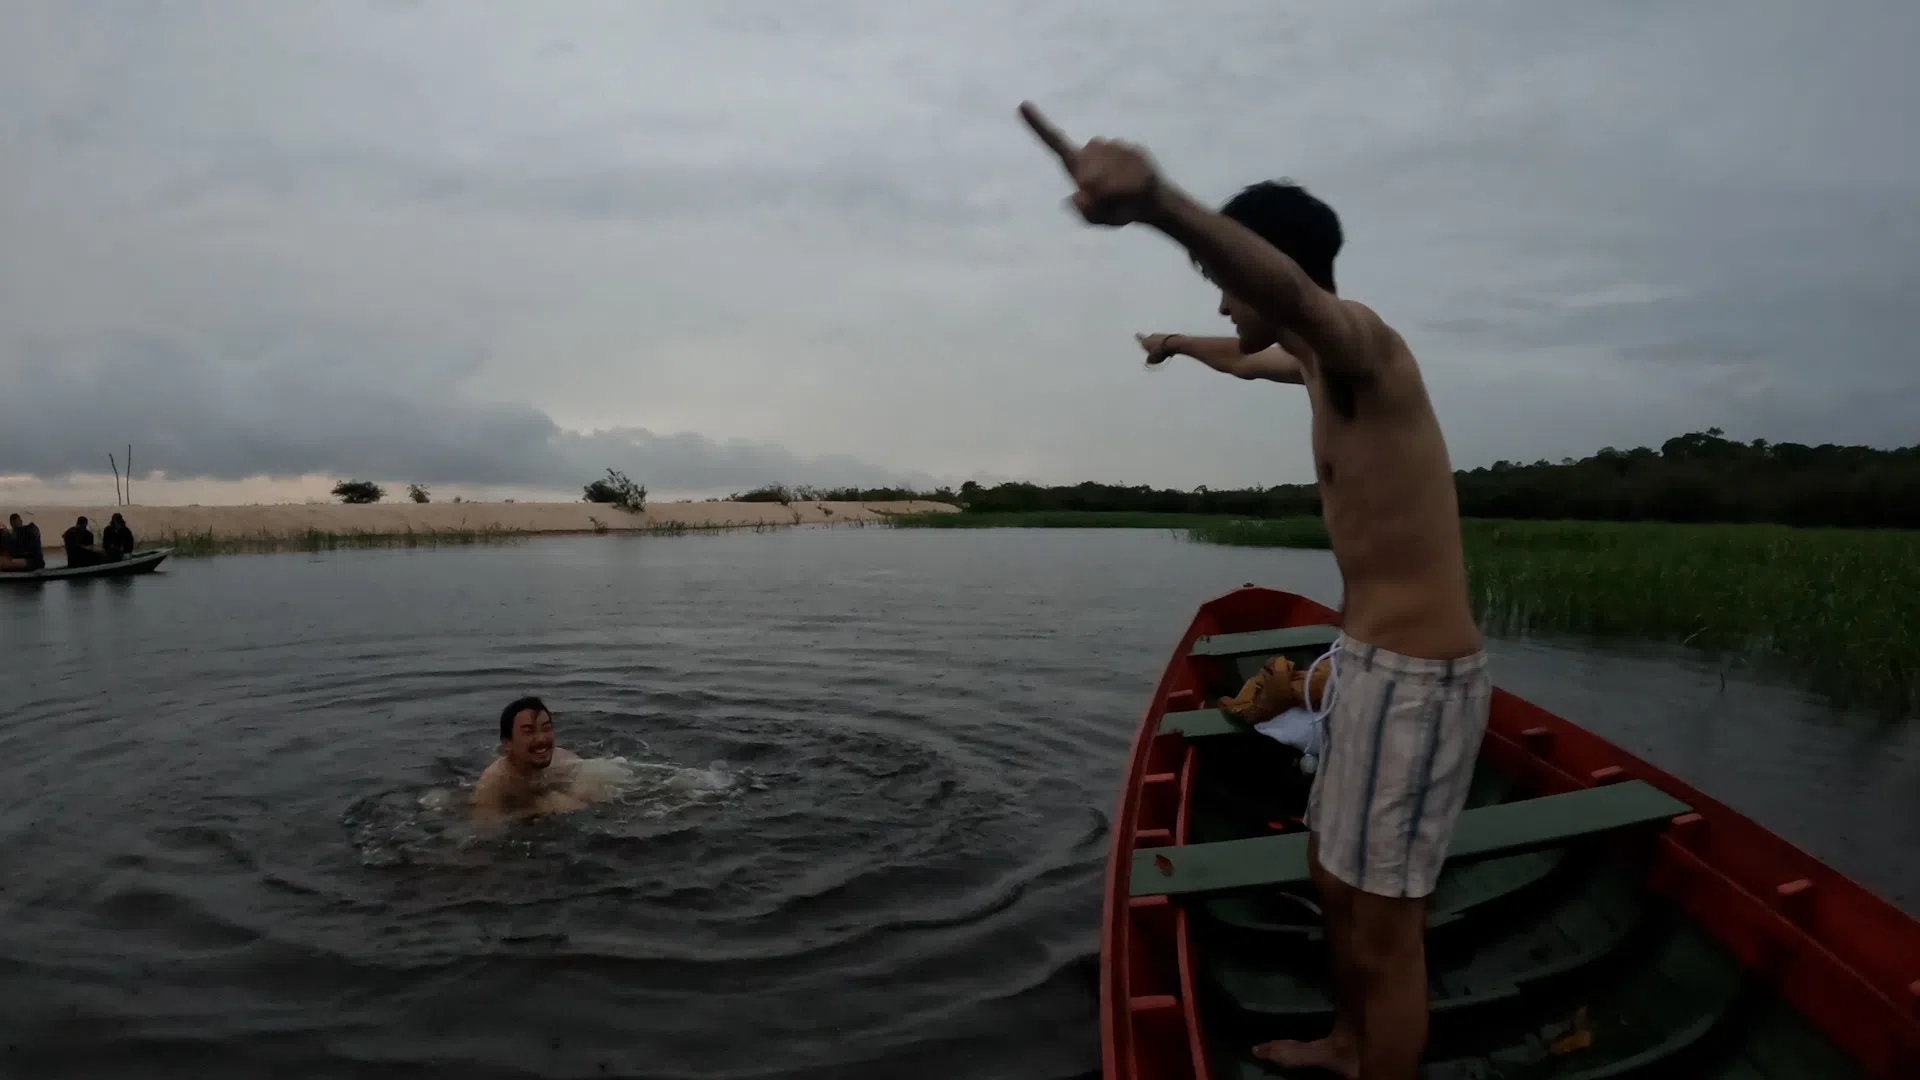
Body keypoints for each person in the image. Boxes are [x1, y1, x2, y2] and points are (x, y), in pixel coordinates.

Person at [1020, 103, 1490, 1080]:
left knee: (1386, 928)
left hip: (1419, 681)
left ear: (1268, 269)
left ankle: (1378, 1058)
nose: (1227, 303)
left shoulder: (1362, 344)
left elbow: (1291, 302)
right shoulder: (1318, 364)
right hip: (1364, 666)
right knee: (1332, 875)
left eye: (1226, 284)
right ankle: (1348, 1043)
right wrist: (1176, 343)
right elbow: (1245, 355)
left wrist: (1156, 202)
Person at [471, 695, 588, 822]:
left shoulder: (563, 760)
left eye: (546, 728)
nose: (541, 739)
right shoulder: (494, 782)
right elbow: (485, 830)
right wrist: (538, 807)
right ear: (507, 743)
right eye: (528, 731)